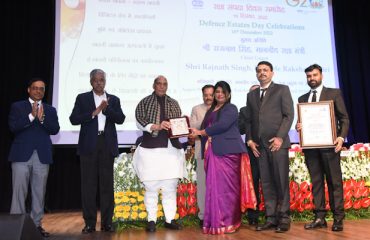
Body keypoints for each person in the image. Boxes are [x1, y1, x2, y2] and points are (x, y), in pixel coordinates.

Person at [190, 81, 252, 235]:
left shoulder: (231, 108)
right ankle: (215, 222)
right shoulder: (211, 109)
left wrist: (201, 133)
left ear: (228, 94)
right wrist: (195, 133)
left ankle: (229, 222)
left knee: (228, 190)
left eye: (222, 92)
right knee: (214, 189)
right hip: (214, 153)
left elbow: (222, 126)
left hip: (228, 153)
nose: (219, 94)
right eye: (217, 91)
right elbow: (203, 129)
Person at [69, 69, 125, 234]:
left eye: (102, 79)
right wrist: (93, 113)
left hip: (106, 145)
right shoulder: (82, 98)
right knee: (88, 186)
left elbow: (121, 119)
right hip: (89, 146)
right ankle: (90, 223)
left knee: (107, 186)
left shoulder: (113, 99)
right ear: (91, 82)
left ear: (105, 81)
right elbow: (73, 119)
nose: (99, 82)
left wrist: (106, 110)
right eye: (96, 80)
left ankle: (107, 223)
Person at [296, 64, 349, 232]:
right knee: (317, 182)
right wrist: (299, 126)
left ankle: (338, 219)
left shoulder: (334, 93)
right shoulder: (302, 98)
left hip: (330, 146)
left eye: (314, 75)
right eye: (309, 76)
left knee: (334, 183)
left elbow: (344, 118)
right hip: (311, 148)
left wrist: (341, 137)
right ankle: (320, 217)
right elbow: (303, 122)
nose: (312, 78)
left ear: (321, 76)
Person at [245, 61, 294, 233]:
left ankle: (284, 218)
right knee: (266, 183)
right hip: (259, 146)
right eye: (259, 71)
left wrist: (280, 137)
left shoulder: (282, 89)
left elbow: (289, 116)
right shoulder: (251, 95)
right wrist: (250, 140)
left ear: (272, 73)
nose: (262, 73)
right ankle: (271, 218)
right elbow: (249, 120)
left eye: (265, 70)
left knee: (280, 181)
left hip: (277, 145)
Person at [9, 78, 60, 238]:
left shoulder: (50, 110)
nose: (38, 91)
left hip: (42, 156)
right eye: (35, 88)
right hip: (21, 155)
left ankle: (36, 225)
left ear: (44, 92)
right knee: (19, 192)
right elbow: (13, 127)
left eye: (41, 89)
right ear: (28, 90)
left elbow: (55, 129)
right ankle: (15, 227)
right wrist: (31, 116)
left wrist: (42, 118)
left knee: (39, 192)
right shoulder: (17, 106)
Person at [133, 75, 184, 232]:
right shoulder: (145, 102)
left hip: (171, 151)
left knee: (170, 187)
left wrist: (182, 129)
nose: (162, 86)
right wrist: (156, 126)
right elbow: (139, 120)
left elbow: (179, 124)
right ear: (154, 85)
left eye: (165, 84)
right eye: (159, 84)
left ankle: (169, 219)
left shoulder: (173, 103)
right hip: (150, 151)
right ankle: (152, 220)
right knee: (151, 187)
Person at [189, 84, 214, 224]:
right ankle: (203, 216)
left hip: (219, 154)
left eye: (211, 94)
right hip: (201, 153)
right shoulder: (196, 109)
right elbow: (193, 129)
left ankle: (217, 214)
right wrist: (208, 117)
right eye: (205, 94)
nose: (208, 97)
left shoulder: (222, 109)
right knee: (203, 186)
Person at [238, 84, 260, 226]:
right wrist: (249, 120)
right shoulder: (244, 110)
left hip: (270, 148)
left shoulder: (271, 109)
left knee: (270, 182)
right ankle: (253, 215)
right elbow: (240, 129)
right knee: (254, 182)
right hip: (251, 151)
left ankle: (273, 214)